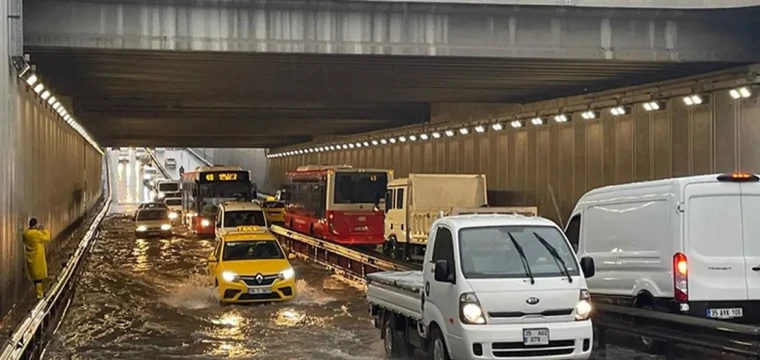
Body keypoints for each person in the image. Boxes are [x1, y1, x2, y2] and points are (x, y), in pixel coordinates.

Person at [23, 218, 51, 299]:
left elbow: (25, 240)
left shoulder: (26, 233)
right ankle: (40, 295)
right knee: (39, 277)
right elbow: (47, 237)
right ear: (35, 225)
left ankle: (39, 293)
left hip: (30, 257)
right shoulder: (36, 234)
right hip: (38, 257)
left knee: (34, 277)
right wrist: (43, 230)